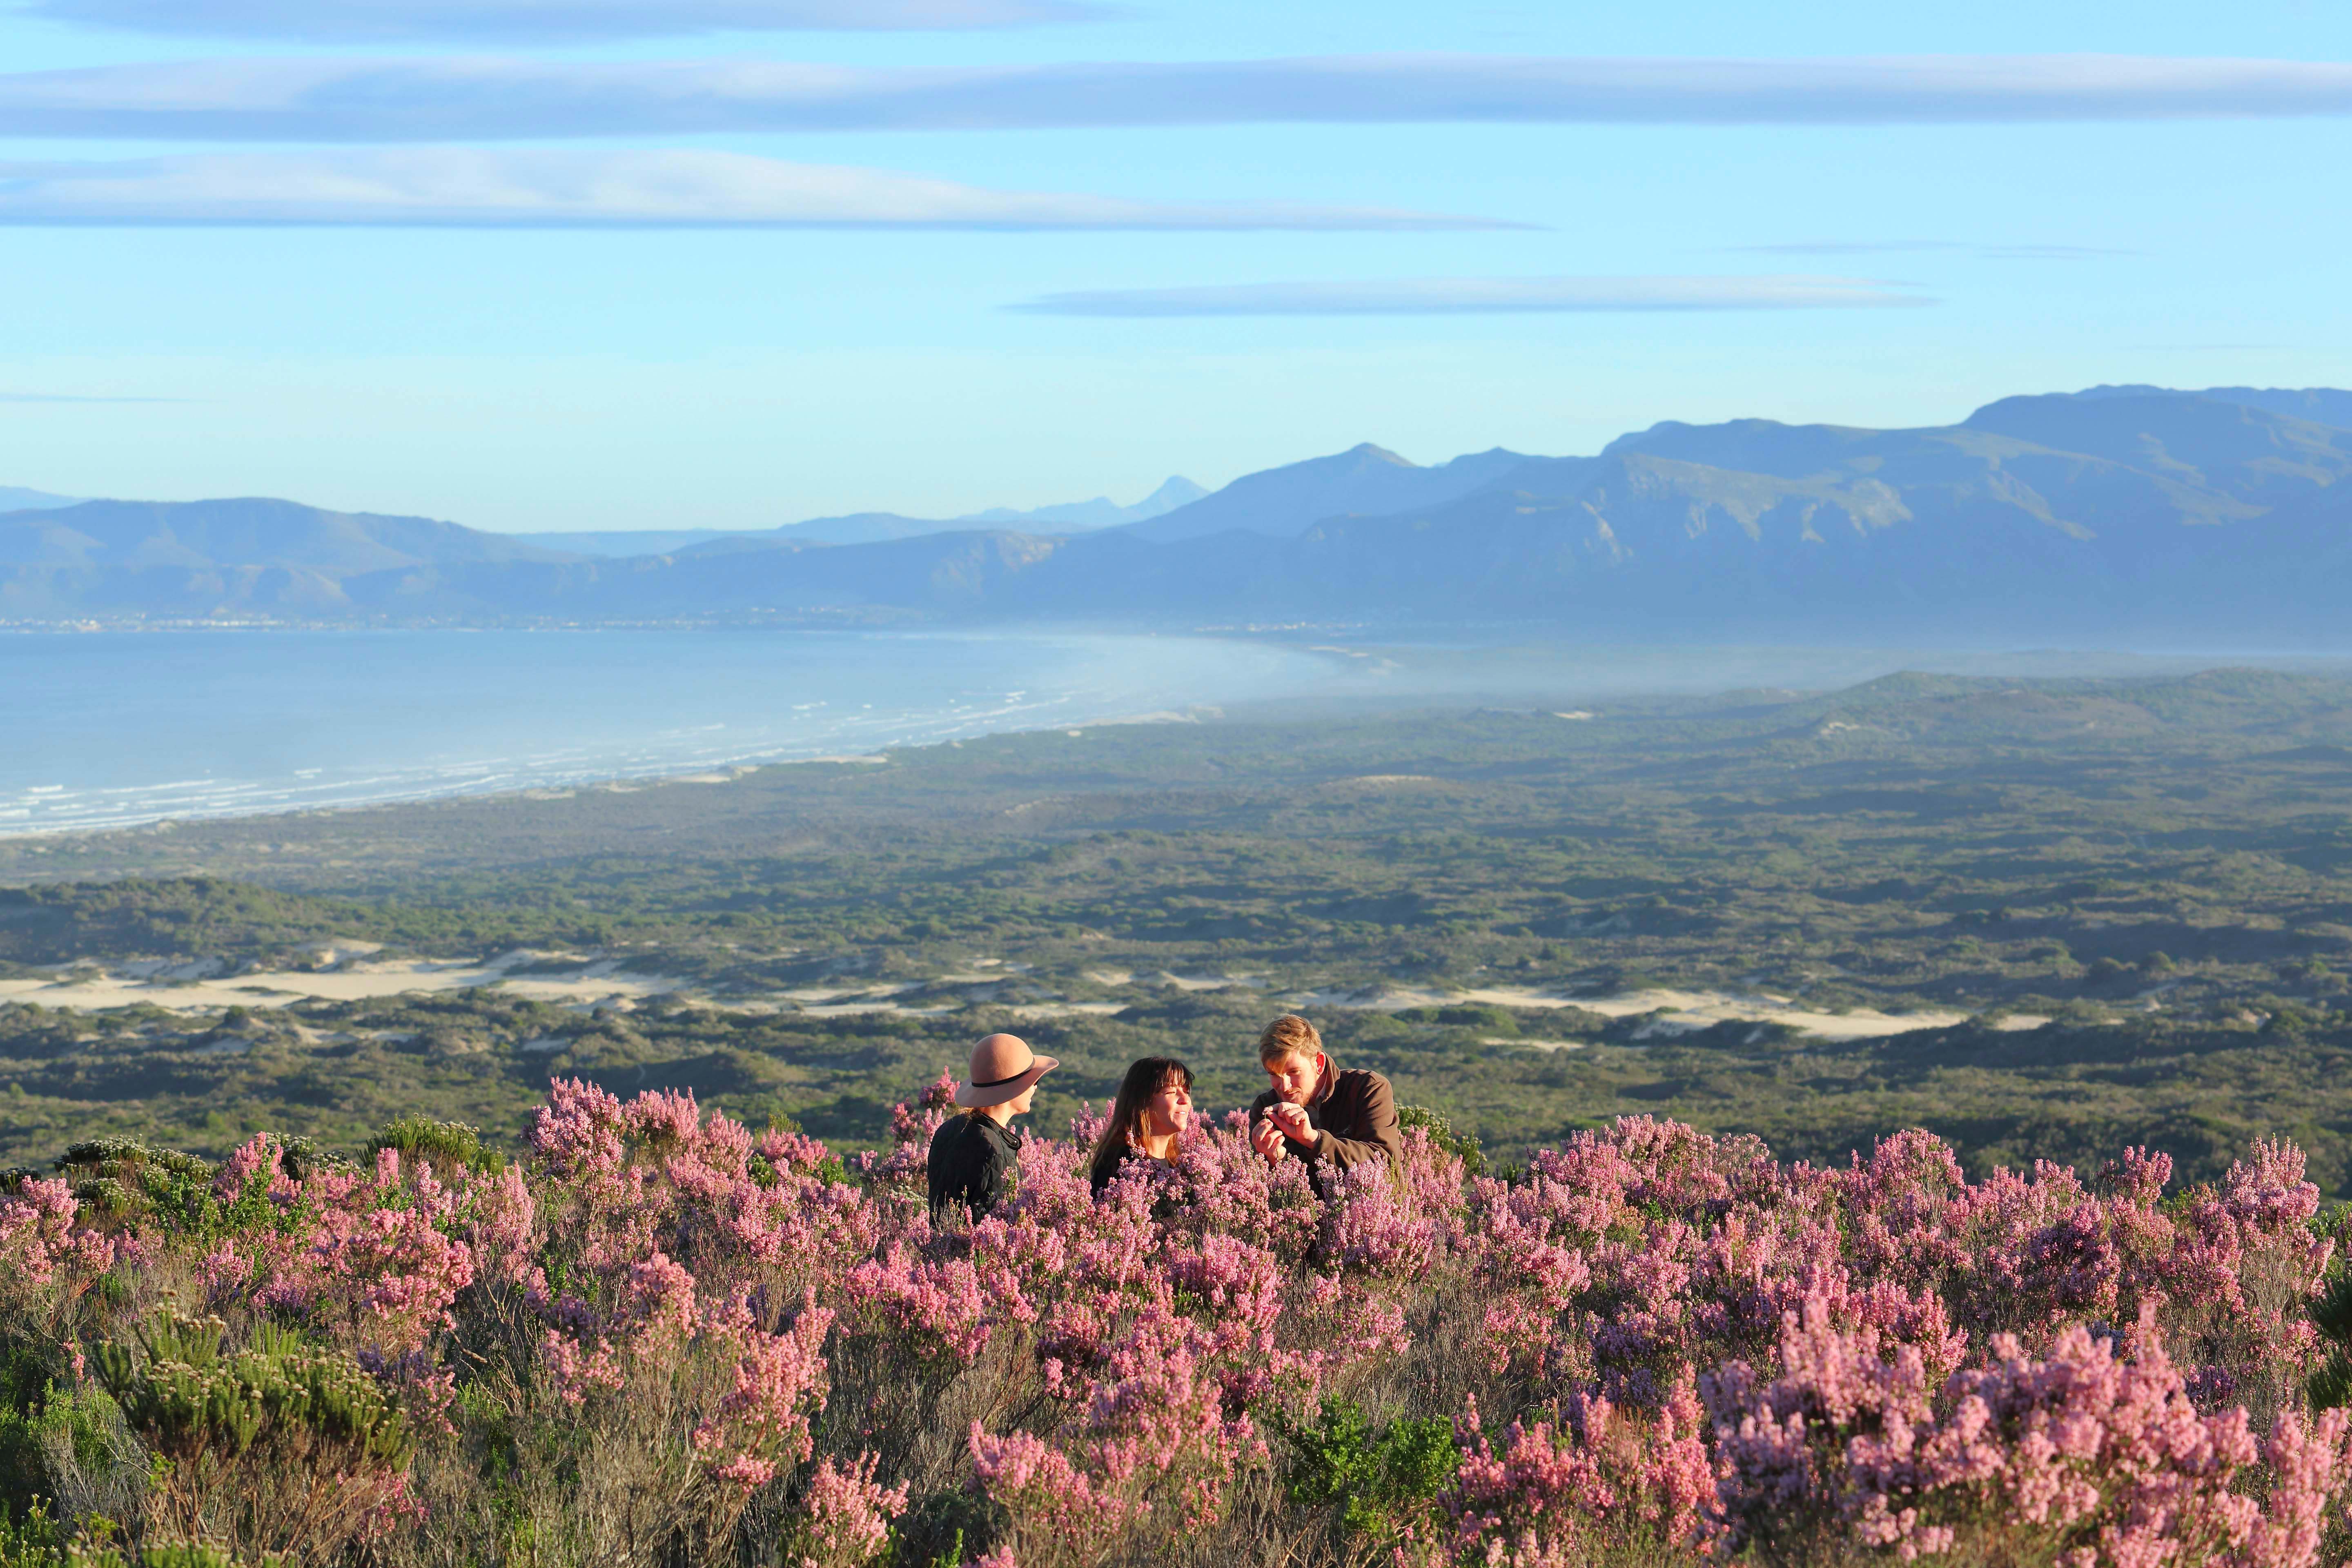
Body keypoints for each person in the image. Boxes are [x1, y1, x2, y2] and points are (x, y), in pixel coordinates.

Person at [1247, 1013, 1402, 1190]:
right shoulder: (1265, 1109)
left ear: (1319, 1064)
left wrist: (1314, 1139)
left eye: (1294, 1072)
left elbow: (1385, 1165)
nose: (1284, 1086)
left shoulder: (1367, 1089)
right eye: (1274, 1074)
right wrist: (1275, 1161)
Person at [928, 1031, 1058, 1223]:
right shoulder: (997, 1156)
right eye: (1034, 1081)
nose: (1035, 1088)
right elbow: (994, 1237)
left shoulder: (949, 1129)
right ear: (1015, 1088)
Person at [1087, 1056, 1196, 1196]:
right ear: (1143, 1102)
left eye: (1186, 1091)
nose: (1185, 1100)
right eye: (1171, 1092)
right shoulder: (1120, 1168)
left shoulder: (1181, 1167)